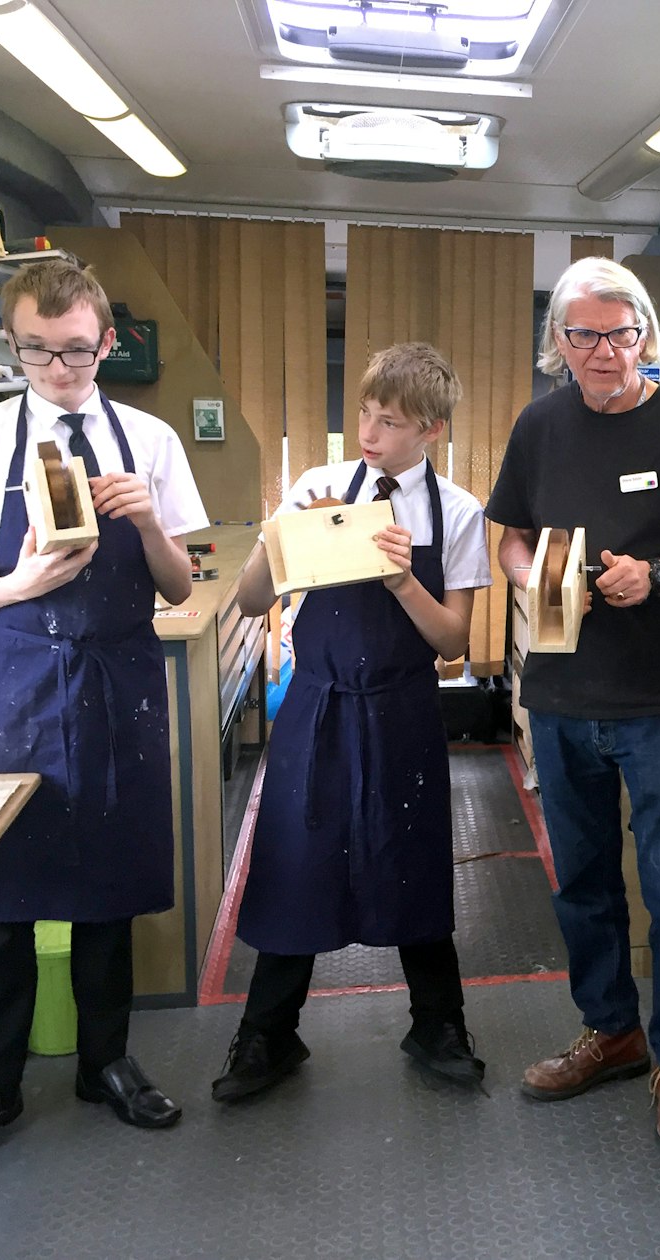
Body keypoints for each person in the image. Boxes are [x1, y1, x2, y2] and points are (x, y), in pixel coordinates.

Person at [0, 259, 208, 1177]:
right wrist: (21, 585)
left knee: (109, 890)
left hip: (122, 674)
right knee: (2, 897)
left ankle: (105, 1062)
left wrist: (153, 524)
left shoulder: (152, 439)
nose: (59, 370)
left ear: (106, 341)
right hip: (22, 674)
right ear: (14, 346)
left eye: (77, 351)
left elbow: (177, 585)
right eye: (38, 353)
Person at [486, 257, 660, 1150]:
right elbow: (511, 535)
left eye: (620, 335)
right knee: (581, 883)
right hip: (558, 697)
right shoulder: (539, 426)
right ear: (558, 343)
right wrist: (533, 579)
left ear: (646, 341)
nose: (603, 352)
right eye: (584, 335)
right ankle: (612, 1030)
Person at [211, 343, 491, 1101]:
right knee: (296, 862)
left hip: (404, 710)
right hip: (319, 705)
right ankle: (267, 1034)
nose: (369, 432)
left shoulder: (458, 513)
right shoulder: (320, 485)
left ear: (430, 429)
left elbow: (454, 642)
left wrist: (401, 579)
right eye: (364, 413)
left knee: (415, 862)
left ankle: (439, 1023)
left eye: (390, 421)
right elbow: (246, 602)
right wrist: (283, 540)